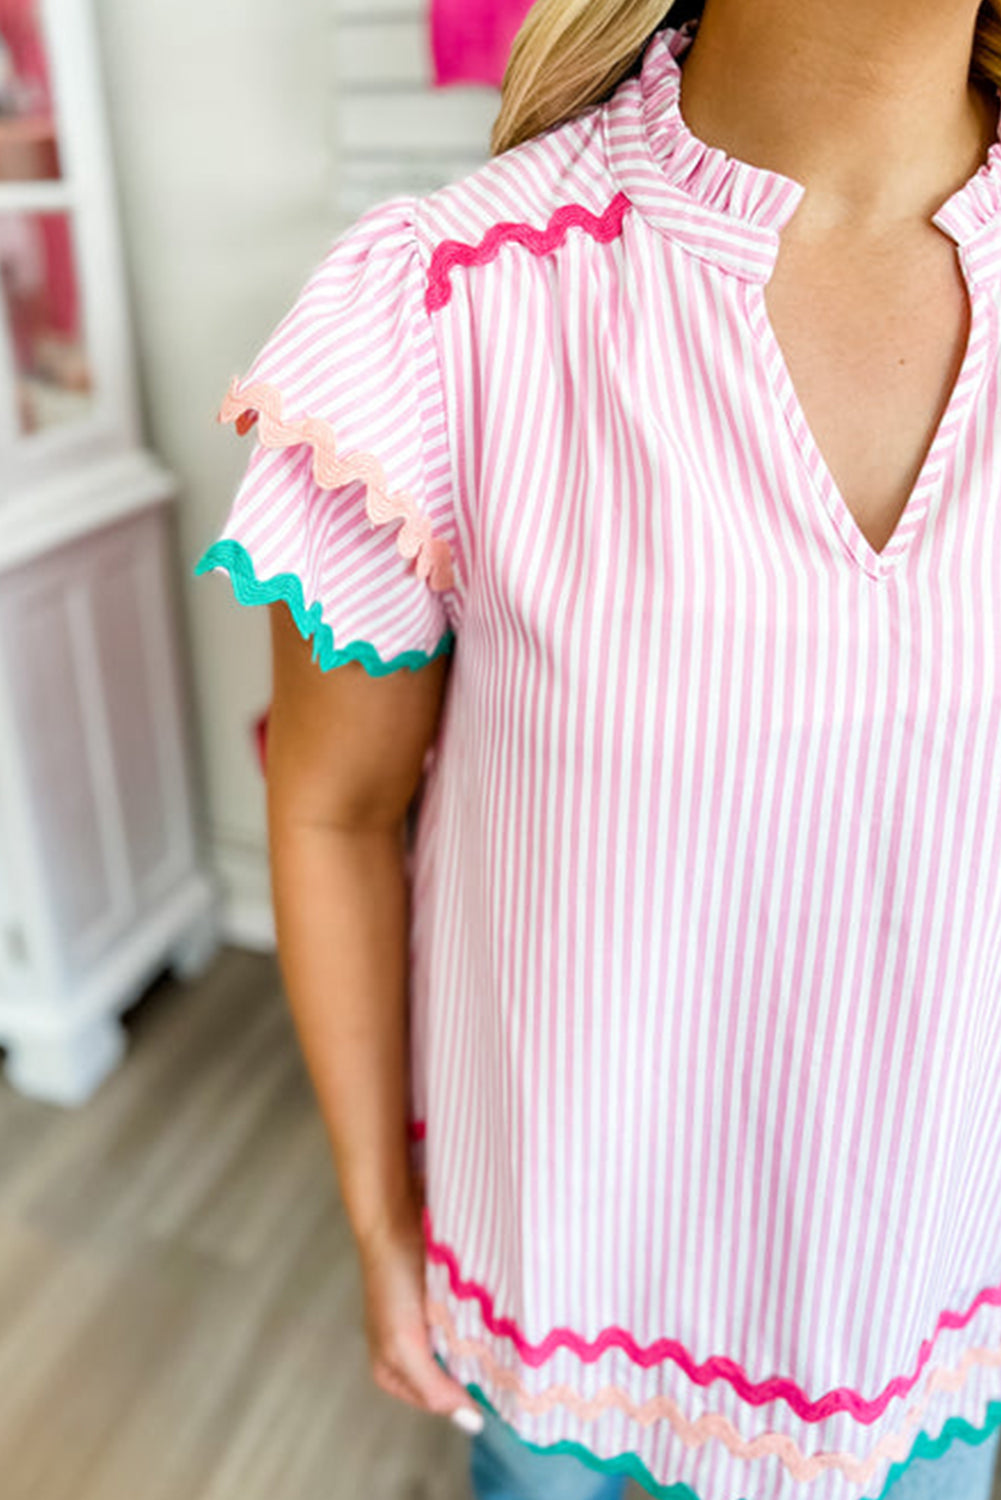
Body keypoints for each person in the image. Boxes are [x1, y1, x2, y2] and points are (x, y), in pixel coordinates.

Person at [193, 0, 1001, 1495]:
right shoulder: (445, 311)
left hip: (942, 1331)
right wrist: (381, 1228)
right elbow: (331, 809)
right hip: (568, 1338)